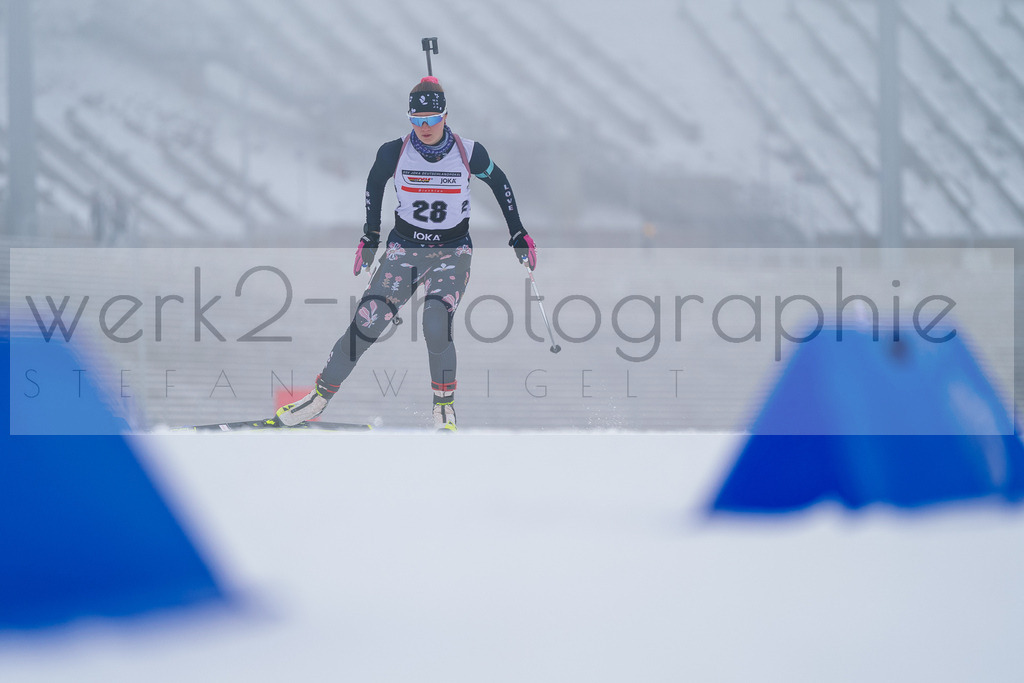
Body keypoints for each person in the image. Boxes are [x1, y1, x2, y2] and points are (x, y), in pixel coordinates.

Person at [276, 76, 537, 431]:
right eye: (417, 120)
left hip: (452, 251)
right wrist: (370, 237)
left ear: (445, 115)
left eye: (431, 119)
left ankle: (443, 407)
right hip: (405, 249)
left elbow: (500, 182)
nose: (424, 128)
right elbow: (373, 184)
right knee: (368, 321)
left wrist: (517, 232)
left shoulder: (469, 152)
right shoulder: (394, 152)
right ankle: (318, 398)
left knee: (435, 320)